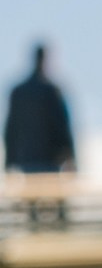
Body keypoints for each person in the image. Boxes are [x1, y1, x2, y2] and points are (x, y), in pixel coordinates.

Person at [4, 44, 76, 174]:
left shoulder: (19, 92)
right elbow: (63, 128)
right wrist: (72, 159)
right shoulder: (52, 91)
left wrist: (8, 163)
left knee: (29, 193)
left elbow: (10, 130)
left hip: (25, 163)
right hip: (50, 163)